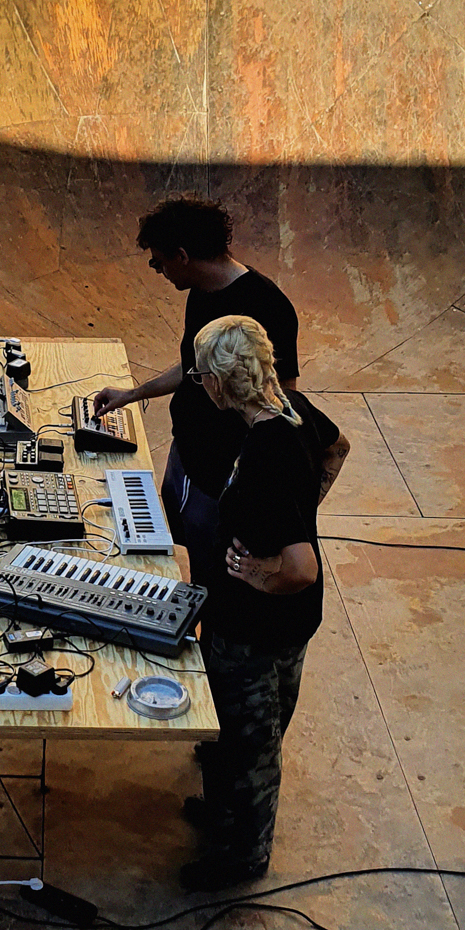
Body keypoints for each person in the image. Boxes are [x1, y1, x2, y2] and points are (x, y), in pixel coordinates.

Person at [90, 196, 347, 579]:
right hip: (186, 461)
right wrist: (133, 394)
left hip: (221, 482)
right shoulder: (200, 291)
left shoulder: (266, 306)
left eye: (158, 263)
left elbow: (285, 402)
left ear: (182, 255)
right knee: (183, 556)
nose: (158, 271)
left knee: (216, 580)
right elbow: (193, 366)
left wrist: (294, 513)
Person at [177, 314, 327, 893]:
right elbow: (337, 448)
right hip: (278, 625)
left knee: (252, 743)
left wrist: (255, 574)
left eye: (200, 375)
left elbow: (300, 569)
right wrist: (302, 511)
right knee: (234, 735)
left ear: (217, 383)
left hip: (257, 630)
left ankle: (243, 857)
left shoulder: (268, 450)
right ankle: (222, 816)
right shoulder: (296, 409)